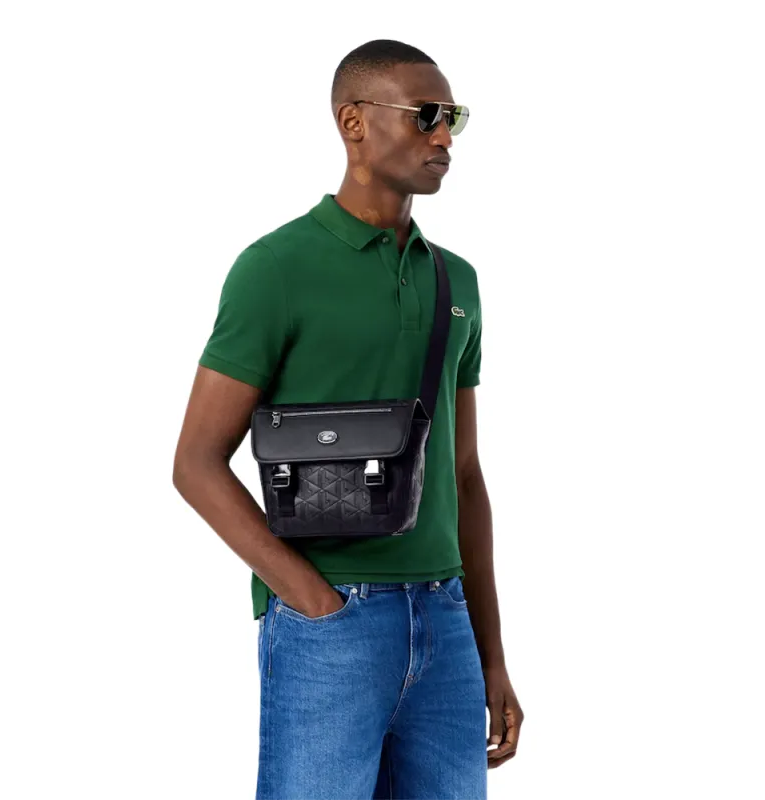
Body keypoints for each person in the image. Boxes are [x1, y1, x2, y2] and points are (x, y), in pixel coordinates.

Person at [173, 38, 523, 799]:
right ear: (354, 122)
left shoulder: (457, 281)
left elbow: (464, 474)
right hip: (332, 622)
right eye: (425, 115)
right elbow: (195, 463)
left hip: (447, 621)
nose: (444, 136)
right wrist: (310, 599)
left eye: (454, 118)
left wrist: (491, 654)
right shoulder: (276, 269)